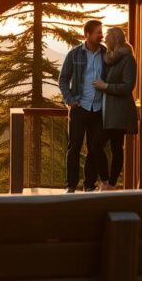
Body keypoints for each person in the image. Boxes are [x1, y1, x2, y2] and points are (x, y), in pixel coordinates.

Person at [59, 19, 108, 193]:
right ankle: (71, 185)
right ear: (87, 34)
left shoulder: (106, 54)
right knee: (74, 147)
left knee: (94, 148)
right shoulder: (74, 54)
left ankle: (89, 185)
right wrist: (70, 99)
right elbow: (63, 79)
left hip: (99, 109)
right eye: (98, 32)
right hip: (80, 107)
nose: (101, 35)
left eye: (102, 32)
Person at [92, 27, 138, 190]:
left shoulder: (128, 60)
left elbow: (127, 87)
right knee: (95, 145)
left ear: (115, 39)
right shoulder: (110, 59)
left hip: (119, 111)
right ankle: (106, 181)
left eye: (107, 37)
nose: (105, 40)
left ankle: (111, 184)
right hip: (107, 111)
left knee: (116, 148)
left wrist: (105, 86)